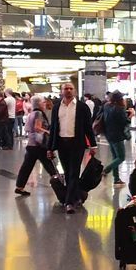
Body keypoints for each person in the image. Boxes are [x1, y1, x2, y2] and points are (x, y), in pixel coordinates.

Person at [48, 82, 98, 213]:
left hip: (77, 144)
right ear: (61, 91)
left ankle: (69, 202)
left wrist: (93, 145)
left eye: (71, 88)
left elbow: (88, 127)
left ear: (74, 91)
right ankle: (77, 196)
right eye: (66, 88)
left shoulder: (82, 107)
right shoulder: (57, 107)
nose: (68, 90)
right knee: (68, 171)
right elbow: (53, 128)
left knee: (74, 172)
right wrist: (50, 147)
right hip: (61, 143)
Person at [15, 96, 57, 195]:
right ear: (39, 103)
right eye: (43, 102)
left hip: (31, 144)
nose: (45, 104)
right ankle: (60, 185)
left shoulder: (31, 113)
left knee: (26, 167)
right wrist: (48, 132)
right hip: (39, 145)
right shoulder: (38, 113)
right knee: (50, 166)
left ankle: (19, 187)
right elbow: (37, 128)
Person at [100, 92, 131, 186]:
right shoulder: (119, 109)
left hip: (108, 134)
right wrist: (130, 115)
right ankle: (106, 170)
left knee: (115, 157)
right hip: (117, 135)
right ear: (120, 99)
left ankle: (116, 178)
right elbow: (124, 122)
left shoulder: (106, 106)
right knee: (121, 157)